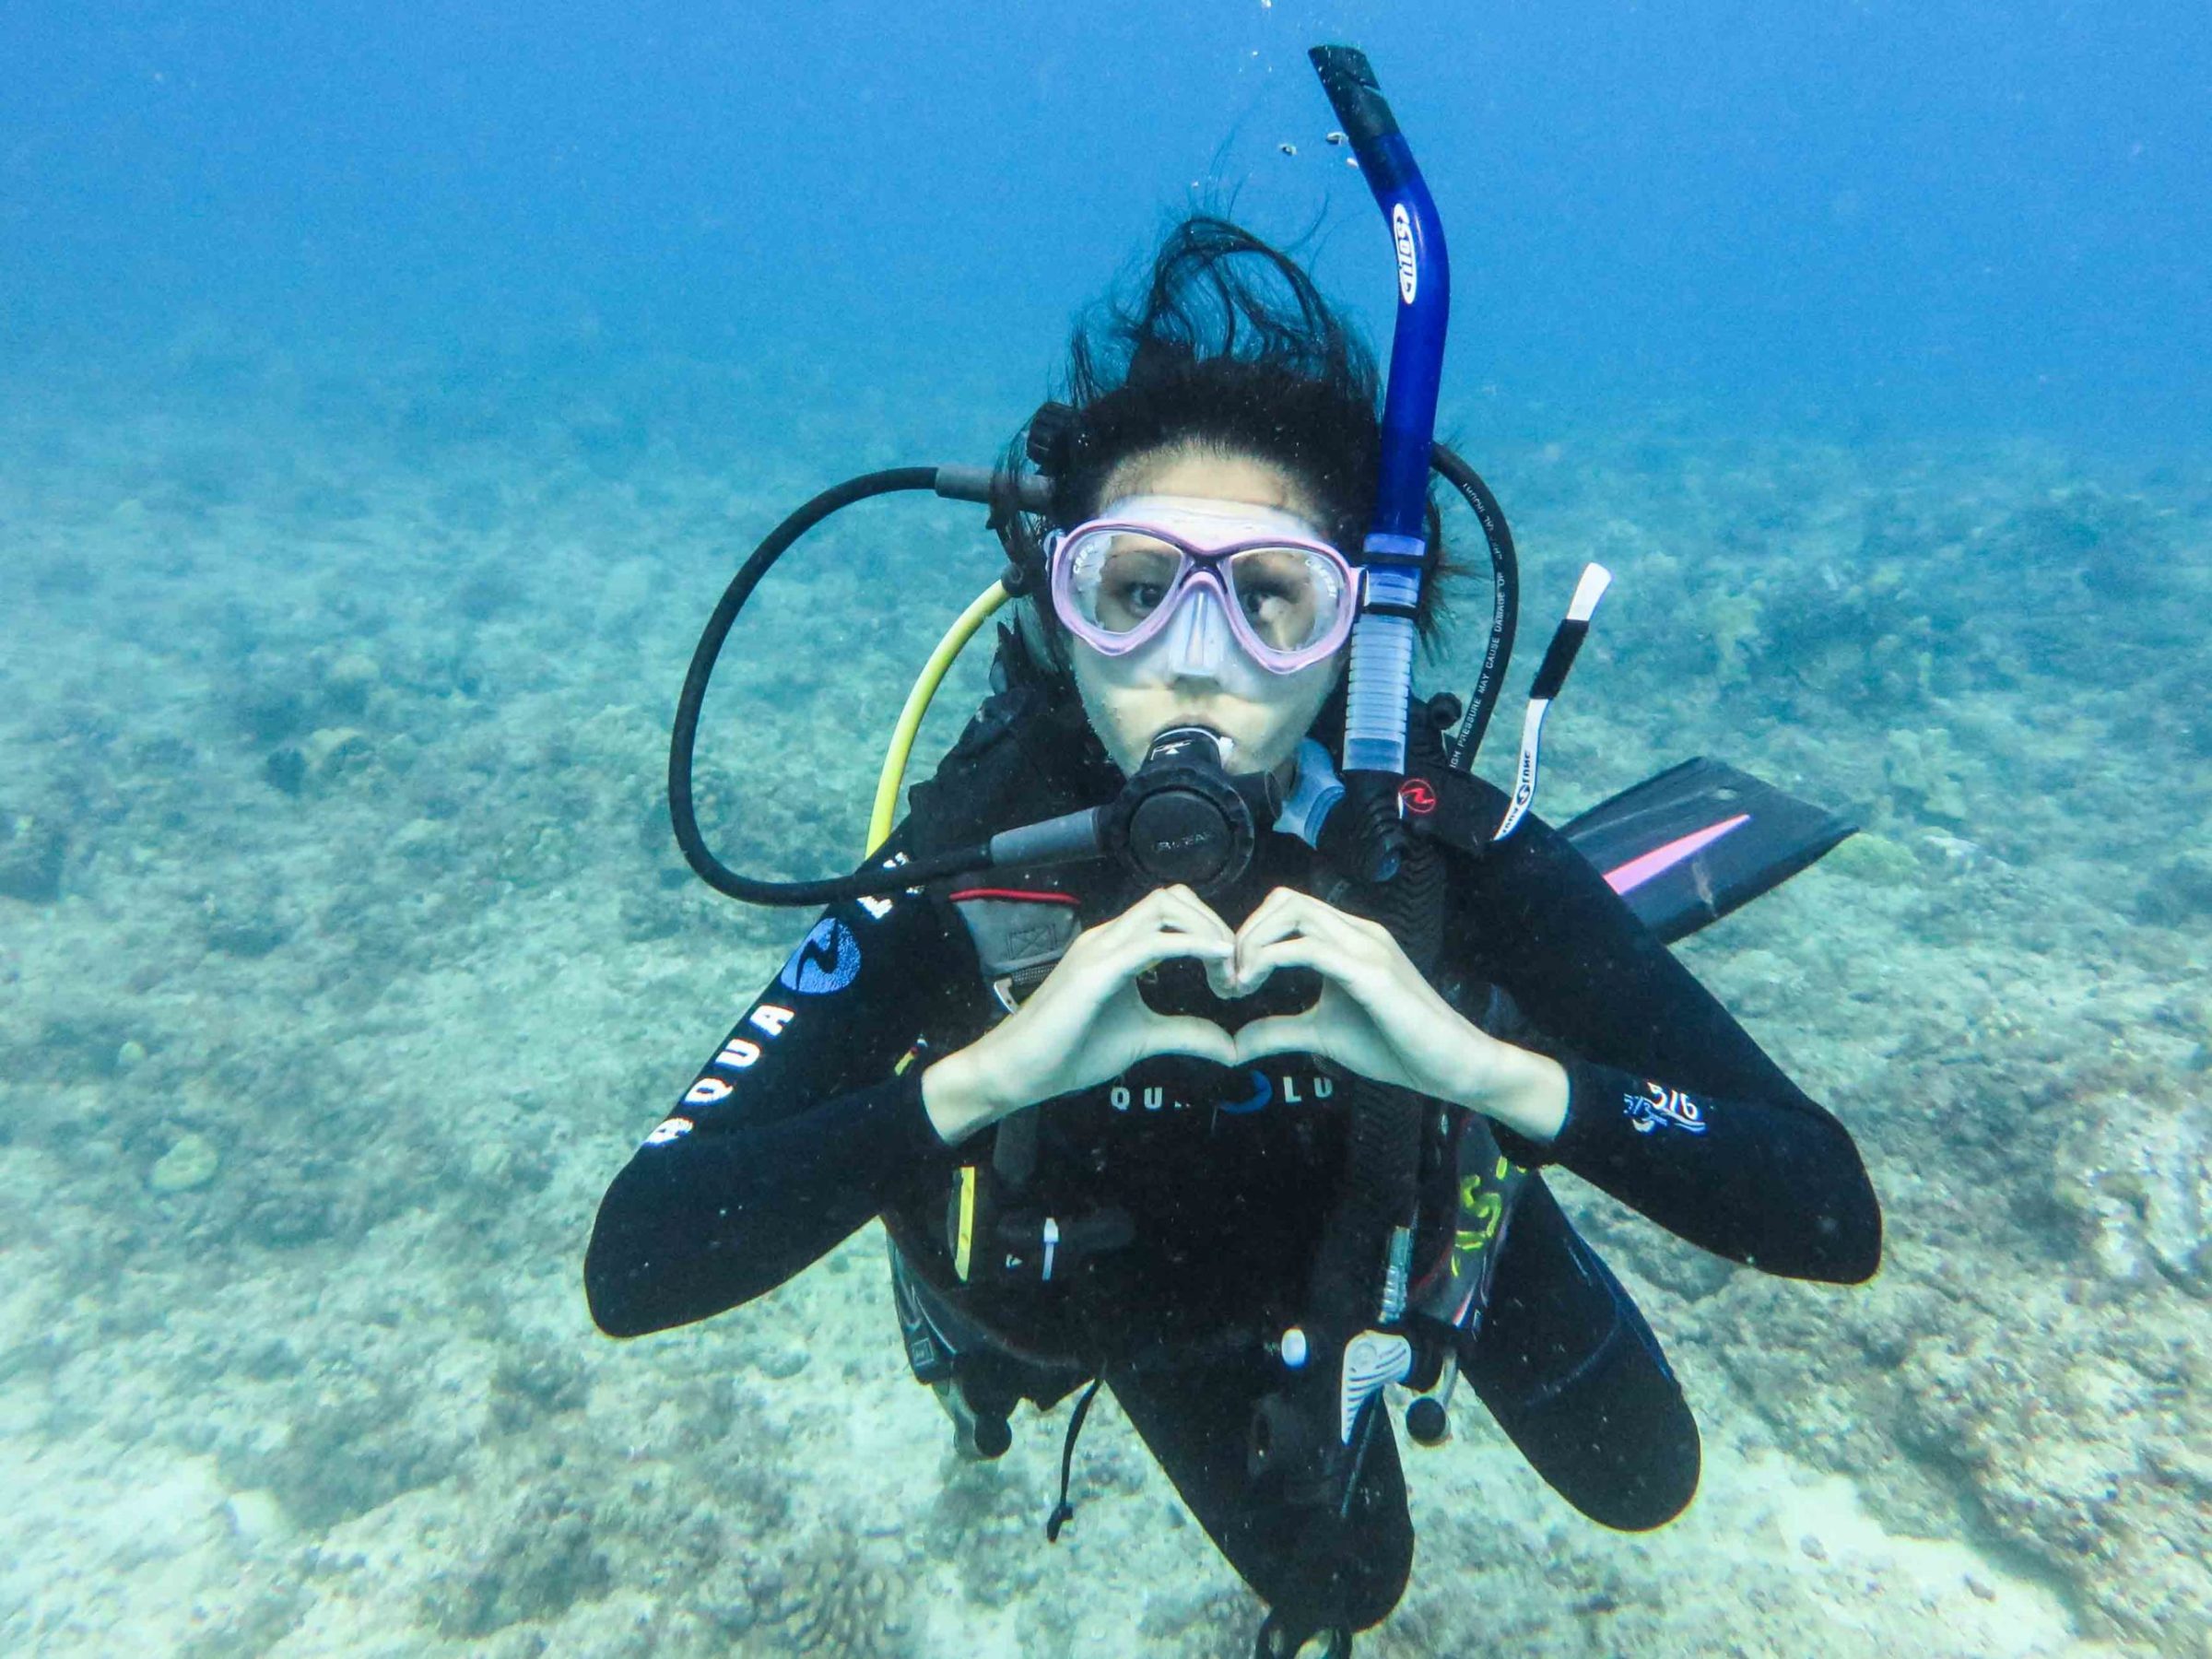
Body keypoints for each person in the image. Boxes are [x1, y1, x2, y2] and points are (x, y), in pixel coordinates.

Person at [585, 218, 1881, 1655]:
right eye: (1135, 592)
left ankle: (1497, 1177)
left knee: (1646, 1481)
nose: (1196, 658)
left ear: (1354, 632)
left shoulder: (1439, 845)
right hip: (1150, 1296)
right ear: (1059, 608)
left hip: (1413, 1193)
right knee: (1354, 1583)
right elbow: (637, 1258)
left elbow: (1826, 1209)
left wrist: (1487, 1070)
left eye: (1270, 598)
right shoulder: (966, 859)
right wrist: (992, 1075)